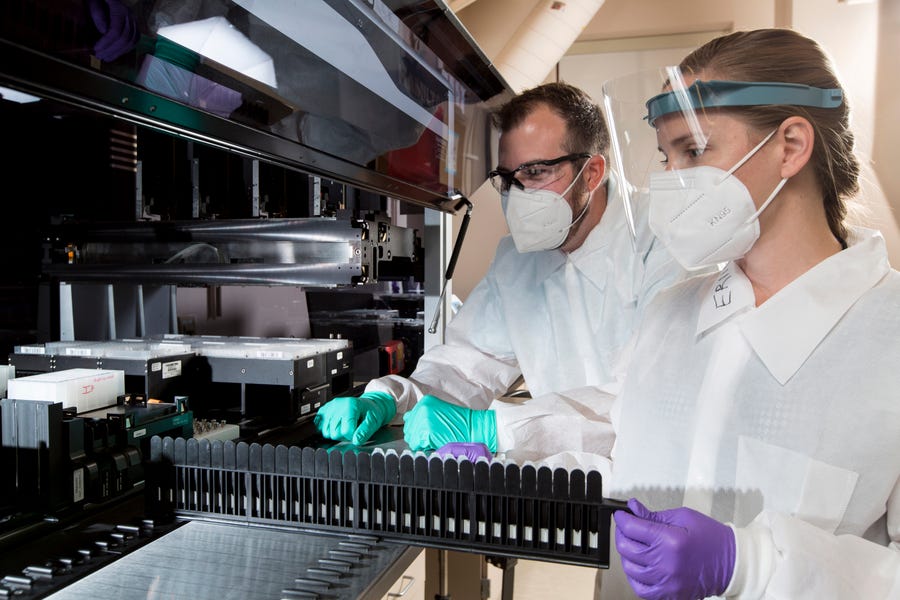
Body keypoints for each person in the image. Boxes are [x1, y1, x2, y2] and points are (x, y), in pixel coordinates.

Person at [594, 28, 900, 599]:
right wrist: (501, 444)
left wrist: (751, 565)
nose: (669, 180)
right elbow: (619, 439)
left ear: (790, 146)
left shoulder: (890, 340)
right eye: (665, 157)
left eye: (693, 150)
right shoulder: (670, 313)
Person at [315, 82, 690, 460]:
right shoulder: (517, 259)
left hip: (660, 487)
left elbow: (647, 403)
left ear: (592, 173)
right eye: (509, 180)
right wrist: (388, 399)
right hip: (568, 481)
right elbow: (467, 368)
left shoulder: (665, 238)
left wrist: (493, 429)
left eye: (537, 172)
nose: (520, 194)